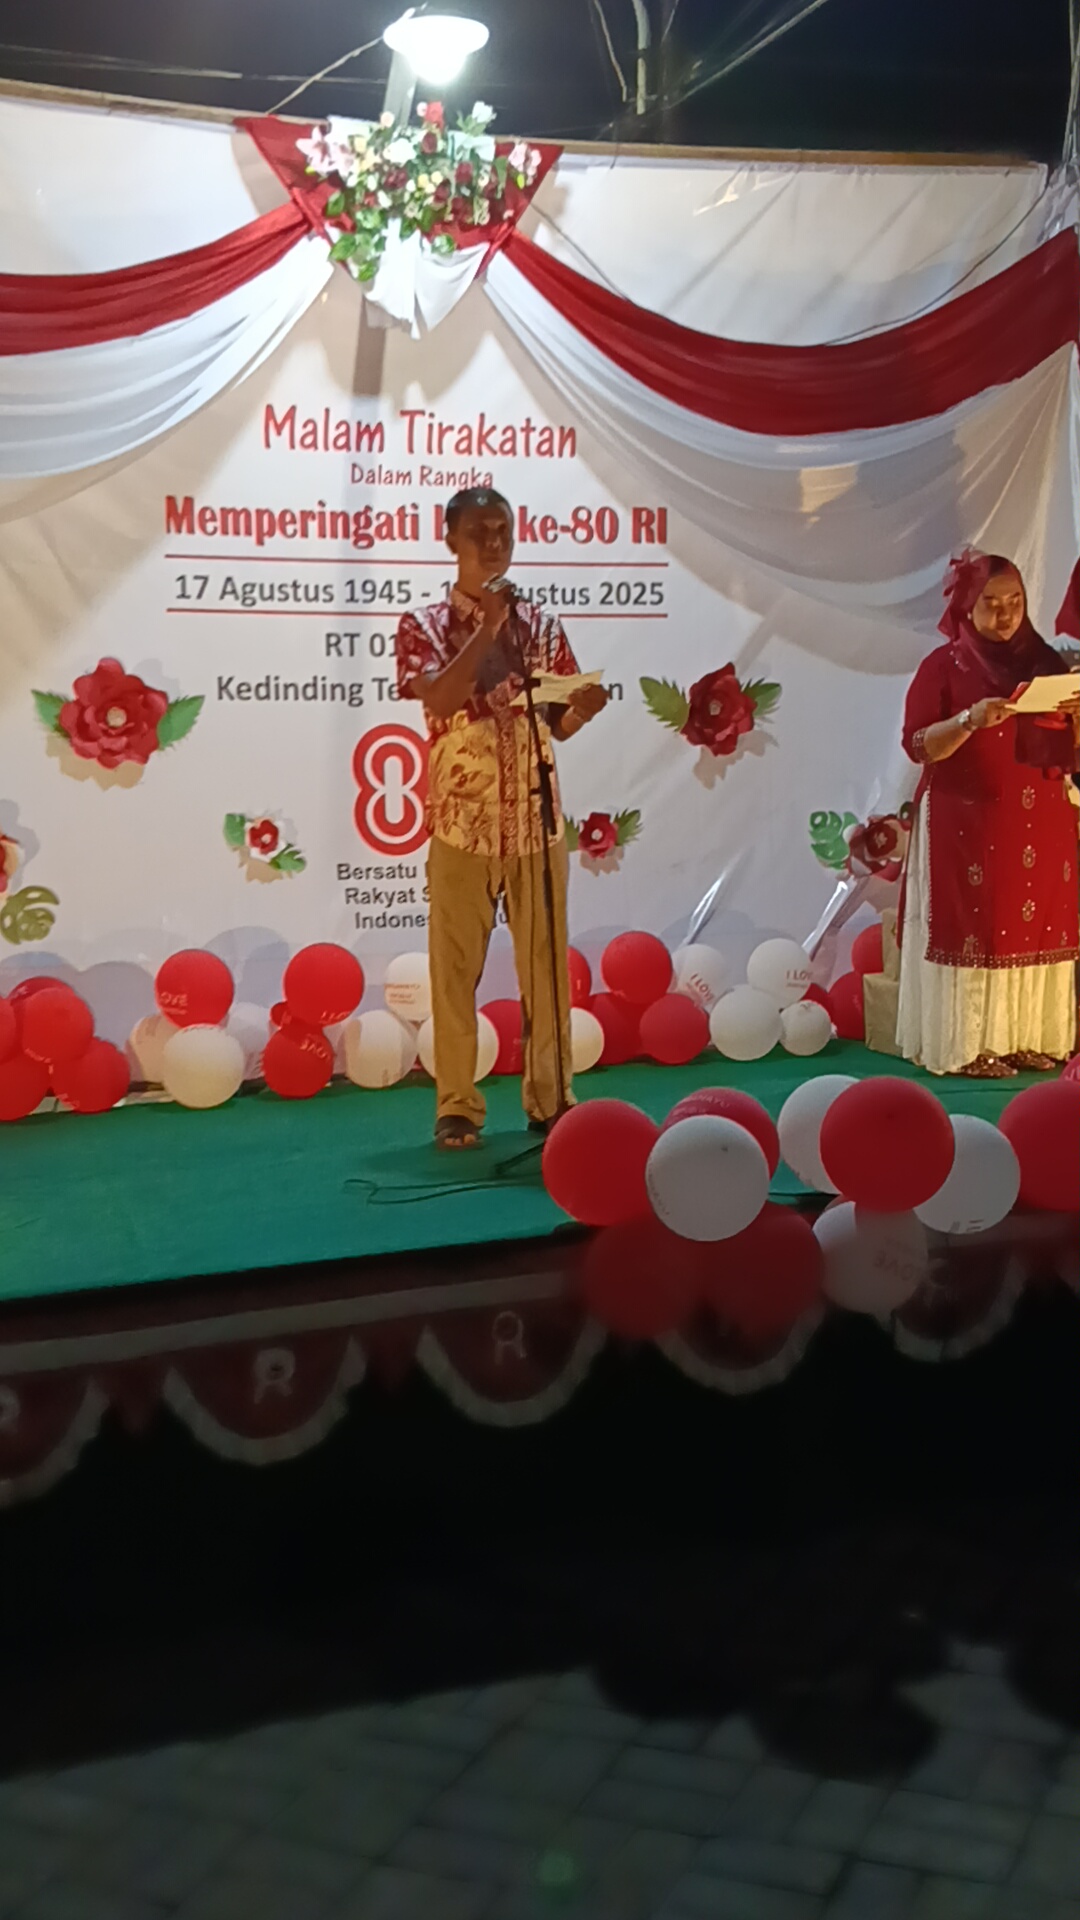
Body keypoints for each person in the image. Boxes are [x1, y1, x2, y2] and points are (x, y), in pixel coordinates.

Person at [396, 486, 608, 1148]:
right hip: (462, 826)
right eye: (479, 532)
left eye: (503, 531)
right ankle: (457, 1105)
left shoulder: (540, 624)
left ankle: (552, 1098)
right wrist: (487, 627)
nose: (494, 543)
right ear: (450, 540)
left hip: (537, 826)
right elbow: (441, 698)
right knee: (455, 972)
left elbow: (557, 724)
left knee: (546, 973)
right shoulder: (424, 625)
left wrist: (582, 710)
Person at [897, 549, 1080, 1077]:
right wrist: (969, 721)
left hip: (1042, 815)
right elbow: (918, 745)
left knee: (1039, 923)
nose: (1006, 615)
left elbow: (1071, 751)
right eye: (991, 604)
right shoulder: (943, 666)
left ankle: (1025, 1036)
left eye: (1015, 601)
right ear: (966, 608)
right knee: (978, 923)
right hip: (967, 818)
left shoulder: (1047, 664)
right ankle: (968, 1046)